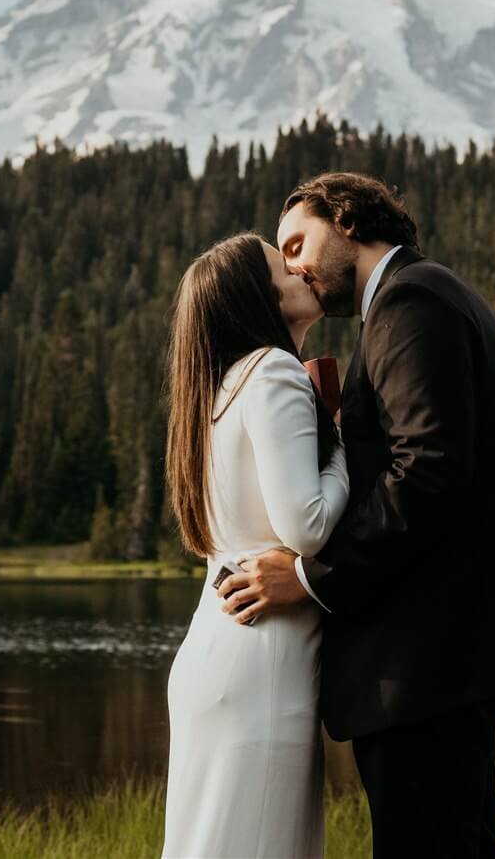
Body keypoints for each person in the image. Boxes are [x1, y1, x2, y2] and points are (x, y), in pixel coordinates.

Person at [218, 172, 495, 858]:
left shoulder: (410, 299)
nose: (292, 268)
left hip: (427, 658)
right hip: (441, 651)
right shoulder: (420, 296)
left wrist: (311, 576)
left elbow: (428, 472)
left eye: (297, 243)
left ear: (345, 219)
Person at [162, 232, 350, 858]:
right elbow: (308, 526)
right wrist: (344, 445)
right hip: (262, 664)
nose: (300, 269)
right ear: (257, 299)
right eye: (281, 266)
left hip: (213, 650)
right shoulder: (272, 370)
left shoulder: (212, 393)